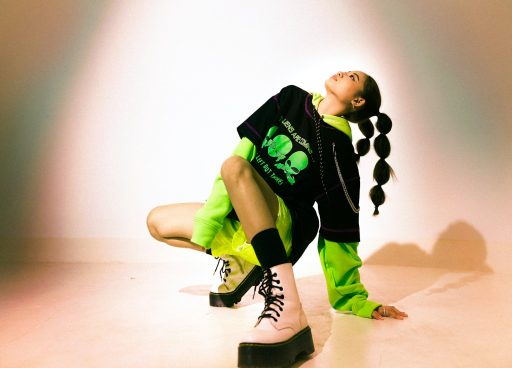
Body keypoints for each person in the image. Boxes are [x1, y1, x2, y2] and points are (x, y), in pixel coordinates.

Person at [147, 70, 408, 367]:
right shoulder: (290, 99)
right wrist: (211, 219)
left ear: (357, 100)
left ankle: (289, 309)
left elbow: (339, 232)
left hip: (286, 224)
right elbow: (243, 151)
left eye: (352, 77)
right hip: (241, 212)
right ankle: (247, 261)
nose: (342, 72)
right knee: (157, 223)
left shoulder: (340, 152)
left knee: (234, 167)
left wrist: (356, 299)